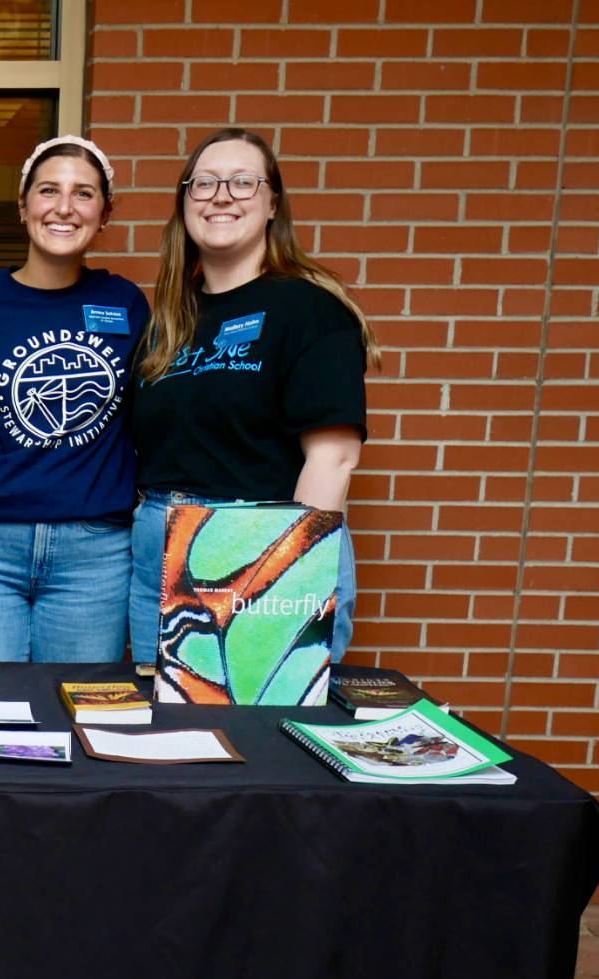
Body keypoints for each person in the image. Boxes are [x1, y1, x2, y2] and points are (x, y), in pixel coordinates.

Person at [126, 127, 380, 666]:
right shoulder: (169, 323)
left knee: (262, 733)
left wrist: (283, 573)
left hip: (265, 544)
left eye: (243, 182)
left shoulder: (311, 310)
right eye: (205, 183)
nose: (222, 195)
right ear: (184, 203)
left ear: (272, 205)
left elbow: (332, 457)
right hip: (160, 545)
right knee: (166, 731)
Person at [0, 135, 147, 662]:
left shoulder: (126, 306)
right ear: (23, 205)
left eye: (83, 194)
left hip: (96, 558)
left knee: (76, 714)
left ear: (104, 213)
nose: (64, 207)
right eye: (48, 191)